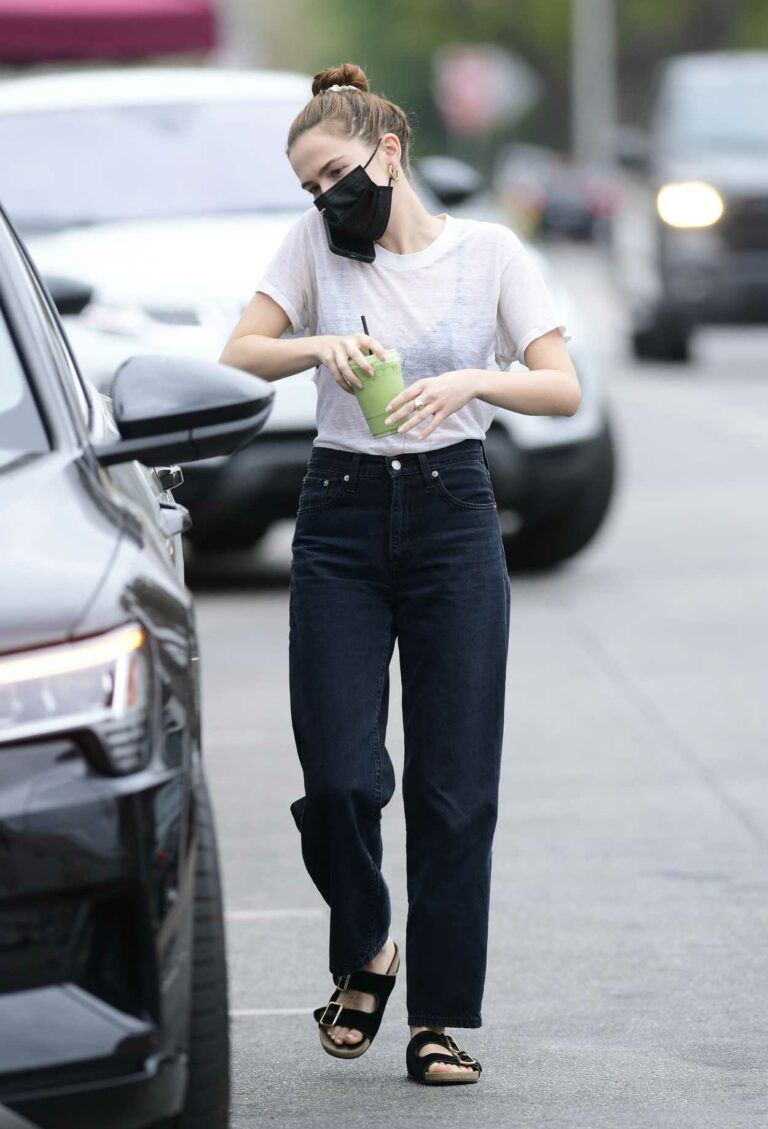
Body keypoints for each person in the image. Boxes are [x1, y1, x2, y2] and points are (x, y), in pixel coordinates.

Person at [219, 61, 579, 1086]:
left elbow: (560, 386)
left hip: (454, 516)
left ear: (388, 152)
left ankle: (438, 1018)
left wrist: (470, 379)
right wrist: (316, 346)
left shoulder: (491, 255)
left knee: (454, 786)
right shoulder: (313, 250)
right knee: (339, 777)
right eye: (305, 187)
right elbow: (240, 349)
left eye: (332, 174)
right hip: (338, 516)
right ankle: (367, 942)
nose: (322, 198)